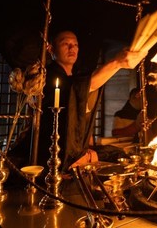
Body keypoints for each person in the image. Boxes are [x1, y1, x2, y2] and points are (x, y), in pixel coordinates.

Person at [8, 30, 147, 178]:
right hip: (52, 148)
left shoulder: (77, 76)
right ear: (51, 49)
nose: (72, 48)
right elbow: (79, 89)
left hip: (77, 147)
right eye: (65, 44)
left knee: (117, 154)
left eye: (75, 44)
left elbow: (82, 110)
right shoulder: (48, 77)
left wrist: (87, 147)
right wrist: (117, 63)